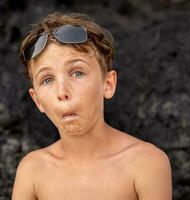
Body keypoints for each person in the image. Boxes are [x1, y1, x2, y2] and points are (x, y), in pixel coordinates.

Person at [12, 12, 172, 200]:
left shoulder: (146, 163)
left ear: (108, 84)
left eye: (77, 73)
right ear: (37, 100)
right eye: (47, 80)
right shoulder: (32, 170)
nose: (62, 92)